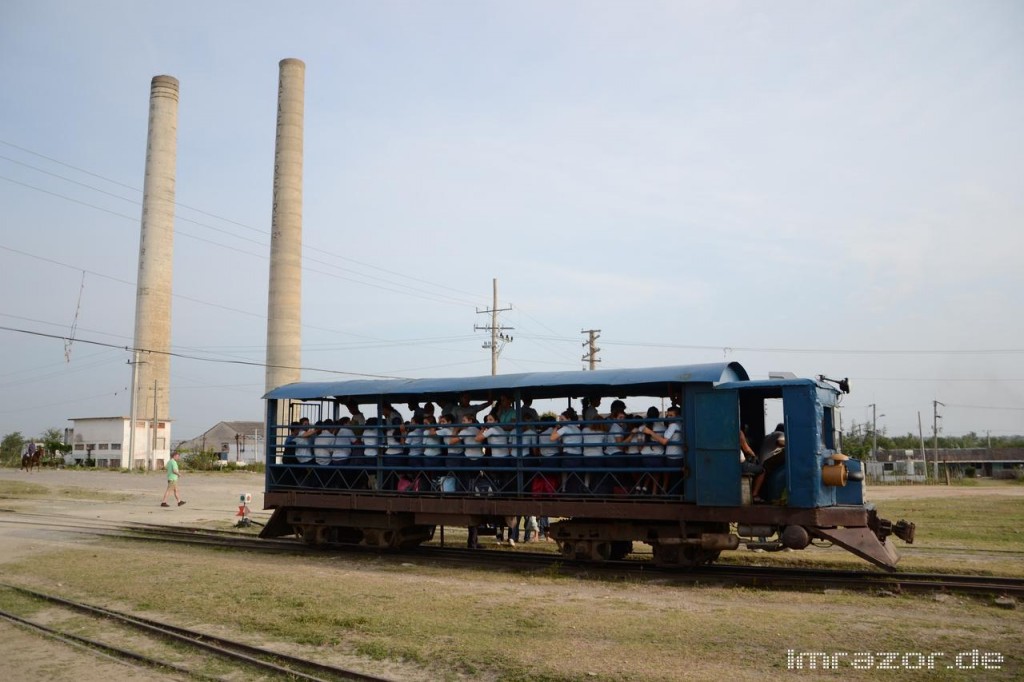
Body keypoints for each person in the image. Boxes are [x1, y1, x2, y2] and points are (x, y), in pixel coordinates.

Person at [752, 424, 785, 502]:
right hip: (766, 461)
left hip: (761, 461)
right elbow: (779, 442)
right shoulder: (781, 434)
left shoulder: (768, 436)